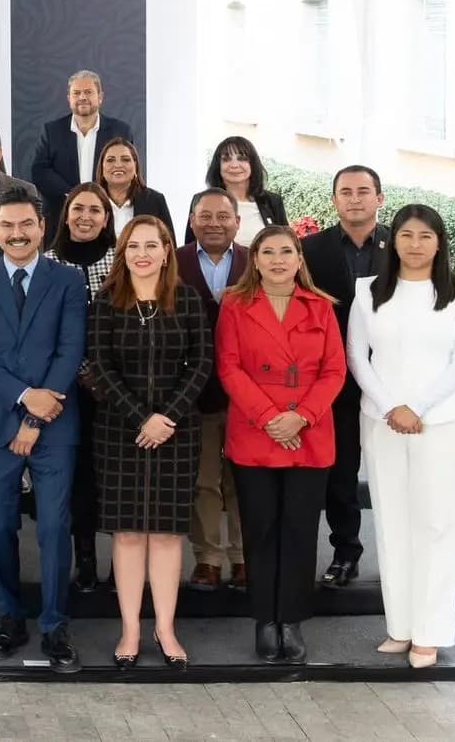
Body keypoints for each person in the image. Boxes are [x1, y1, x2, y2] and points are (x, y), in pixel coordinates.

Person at [348, 204, 455, 668]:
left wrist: (417, 408)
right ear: (393, 241)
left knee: (437, 523)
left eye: (426, 236)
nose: (416, 244)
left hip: (441, 422)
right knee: (391, 521)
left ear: (439, 243)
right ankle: (401, 627)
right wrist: (392, 407)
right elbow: (358, 357)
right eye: (407, 235)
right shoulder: (368, 291)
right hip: (382, 419)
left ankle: (430, 632)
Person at [0, 189, 87, 672]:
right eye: (8, 225)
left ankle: (55, 626)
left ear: (42, 226)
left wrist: (35, 416)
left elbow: (70, 350)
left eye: (26, 224)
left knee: (53, 527)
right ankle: (9, 619)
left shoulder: (68, 280)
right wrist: (22, 398)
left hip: (54, 424)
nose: (17, 234)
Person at [86, 216, 211, 669]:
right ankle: (130, 630)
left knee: (166, 534)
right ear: (122, 253)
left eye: (151, 245)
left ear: (166, 251)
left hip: (177, 432)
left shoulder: (188, 300)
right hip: (121, 430)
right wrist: (143, 417)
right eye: (133, 246)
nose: (142, 254)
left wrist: (167, 417)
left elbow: (202, 362)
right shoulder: (105, 302)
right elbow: (99, 366)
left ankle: (165, 628)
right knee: (127, 534)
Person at [216, 224, 345, 665]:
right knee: (261, 528)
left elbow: (334, 371)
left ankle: (290, 619)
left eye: (286, 252)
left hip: (309, 430)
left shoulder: (321, 306)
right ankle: (264, 621)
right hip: (258, 429)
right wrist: (270, 417)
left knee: (299, 530)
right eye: (267, 252)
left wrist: (300, 416)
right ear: (254, 259)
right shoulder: (235, 304)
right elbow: (229, 367)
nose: (277, 260)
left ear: (299, 259)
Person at [301, 164, 389, 589]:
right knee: (340, 474)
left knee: (393, 473)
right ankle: (346, 552)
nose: (355, 199)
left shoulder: (401, 246)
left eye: (363, 191)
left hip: (391, 378)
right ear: (334, 200)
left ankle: (400, 556)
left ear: (379, 198)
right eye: (346, 192)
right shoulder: (310, 249)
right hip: (332, 379)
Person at [43, 182, 118, 593]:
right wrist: (80, 371)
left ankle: (122, 563)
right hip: (65, 389)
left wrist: (103, 374)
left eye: (94, 210)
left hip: (114, 390)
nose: (85, 217)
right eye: (78, 209)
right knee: (78, 478)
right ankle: (85, 558)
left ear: (106, 219)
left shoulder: (122, 260)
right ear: (66, 215)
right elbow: (44, 330)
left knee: (114, 475)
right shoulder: (47, 262)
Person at [176, 189, 249, 594]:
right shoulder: (176, 261)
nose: (214, 224)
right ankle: (207, 558)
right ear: (192, 221)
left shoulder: (255, 261)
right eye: (205, 216)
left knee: (243, 479)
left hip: (248, 395)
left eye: (223, 216)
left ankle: (243, 556)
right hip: (195, 393)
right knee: (203, 480)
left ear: (237, 221)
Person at [30, 70, 134, 242]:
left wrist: (98, 200)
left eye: (88, 92)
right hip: (62, 220)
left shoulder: (120, 131)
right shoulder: (51, 131)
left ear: (100, 97)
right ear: (69, 98)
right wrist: (74, 196)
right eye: (76, 93)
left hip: (108, 218)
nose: (82, 97)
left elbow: (128, 171)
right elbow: (40, 171)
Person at [185, 136, 286, 247]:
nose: (234, 165)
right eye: (226, 159)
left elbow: (285, 243)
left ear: (252, 164)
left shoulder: (272, 201)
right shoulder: (202, 201)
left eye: (242, 158)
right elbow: (190, 248)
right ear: (218, 166)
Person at [96, 137, 174, 237]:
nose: (118, 165)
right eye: (110, 160)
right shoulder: (90, 200)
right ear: (102, 168)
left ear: (135, 166)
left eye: (126, 160)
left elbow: (169, 242)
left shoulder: (155, 200)